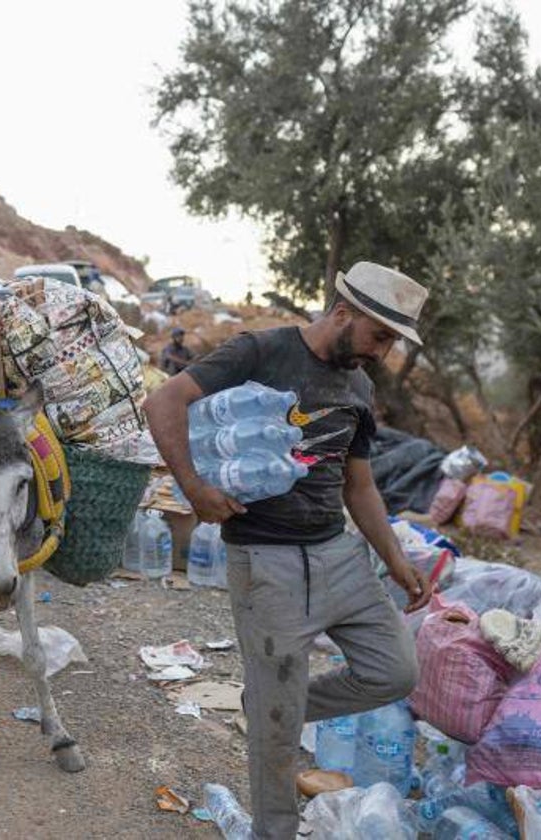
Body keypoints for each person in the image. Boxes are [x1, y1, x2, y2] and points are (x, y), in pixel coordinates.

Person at [144, 261, 432, 839]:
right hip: (267, 562)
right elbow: (164, 403)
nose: (382, 351)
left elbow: (360, 485)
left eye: (392, 342)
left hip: (339, 555)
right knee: (277, 735)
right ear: (344, 312)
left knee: (395, 671)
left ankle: (273, 703)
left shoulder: (359, 385)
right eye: (380, 336)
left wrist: (398, 561)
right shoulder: (262, 351)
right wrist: (196, 490)